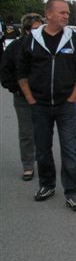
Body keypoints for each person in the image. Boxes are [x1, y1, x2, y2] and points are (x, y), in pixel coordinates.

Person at [17, 0, 76, 211]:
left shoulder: (73, 39)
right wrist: (30, 99)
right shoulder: (32, 40)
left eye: (67, 12)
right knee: (42, 149)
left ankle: (73, 193)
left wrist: (73, 97)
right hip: (39, 106)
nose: (67, 15)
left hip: (66, 106)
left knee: (69, 150)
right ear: (48, 14)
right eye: (62, 12)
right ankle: (47, 185)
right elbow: (20, 71)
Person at [0, 13, 43, 181]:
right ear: (26, 30)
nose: (39, 31)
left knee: (43, 131)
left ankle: (43, 160)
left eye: (41, 28)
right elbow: (5, 70)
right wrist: (15, 89)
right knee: (26, 132)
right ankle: (28, 165)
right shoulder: (15, 47)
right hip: (22, 97)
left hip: (43, 96)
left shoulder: (46, 45)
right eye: (35, 28)